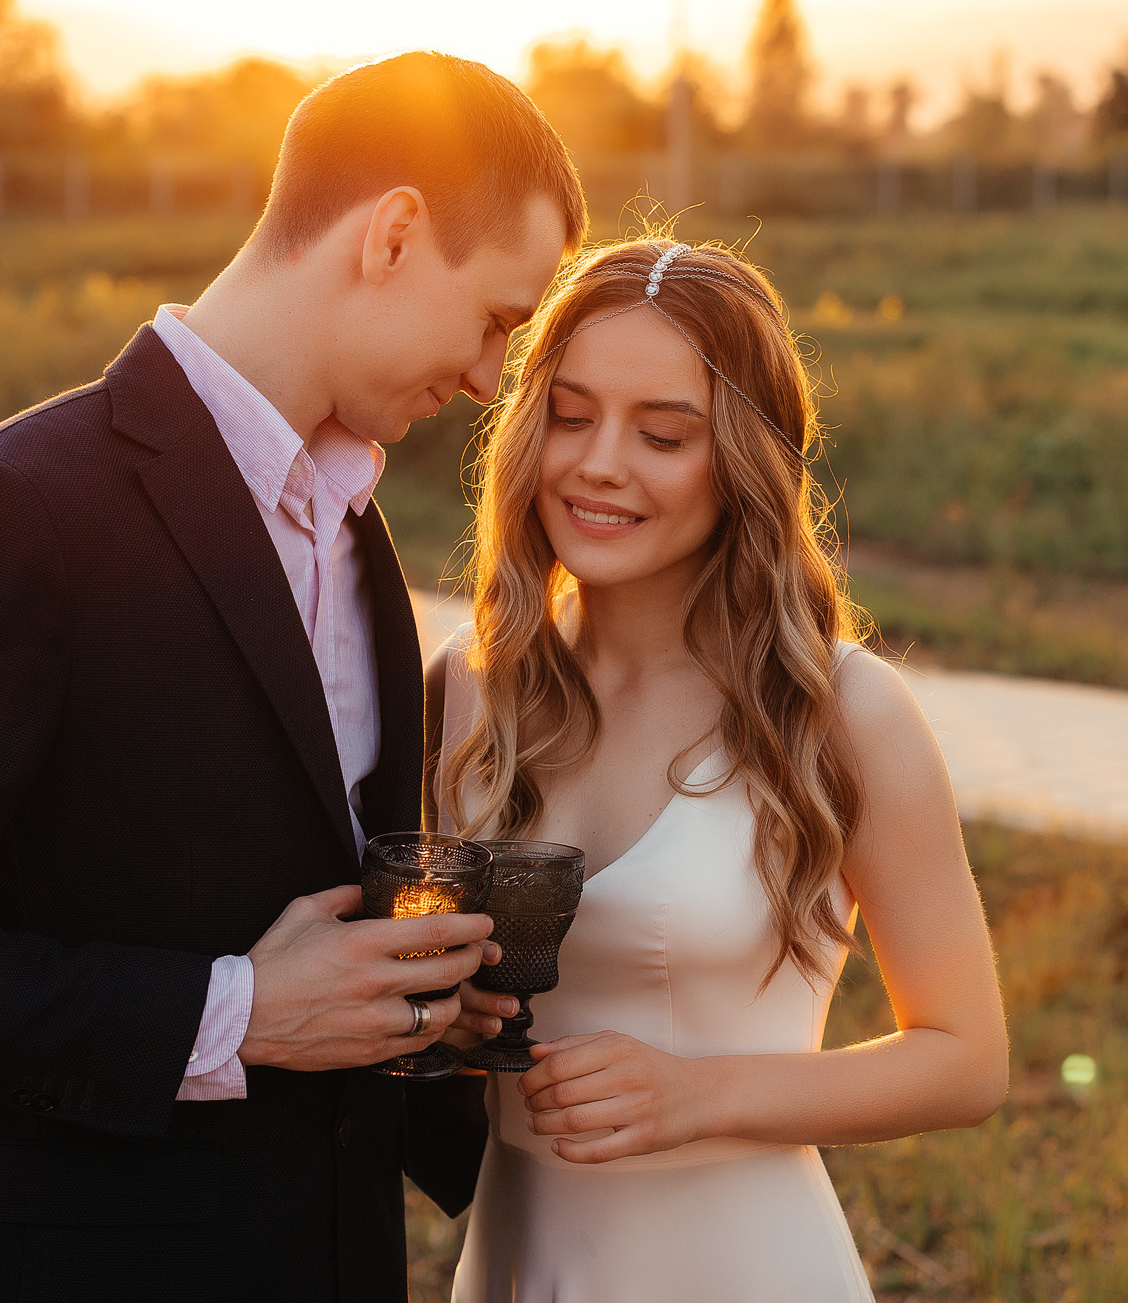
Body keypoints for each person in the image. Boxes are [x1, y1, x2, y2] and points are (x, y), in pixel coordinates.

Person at [0, 52, 585, 1302]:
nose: (484, 380)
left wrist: (420, 1017)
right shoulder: (12, 511)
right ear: (392, 235)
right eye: (497, 320)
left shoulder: (356, 535)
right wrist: (228, 1012)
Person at [429, 238, 1009, 1301]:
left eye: (662, 434)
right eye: (568, 414)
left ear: (743, 460)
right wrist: (445, 1018)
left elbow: (966, 1059)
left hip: (741, 1264)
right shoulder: (468, 690)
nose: (599, 462)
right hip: (522, 1264)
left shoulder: (841, 713)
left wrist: (698, 1096)